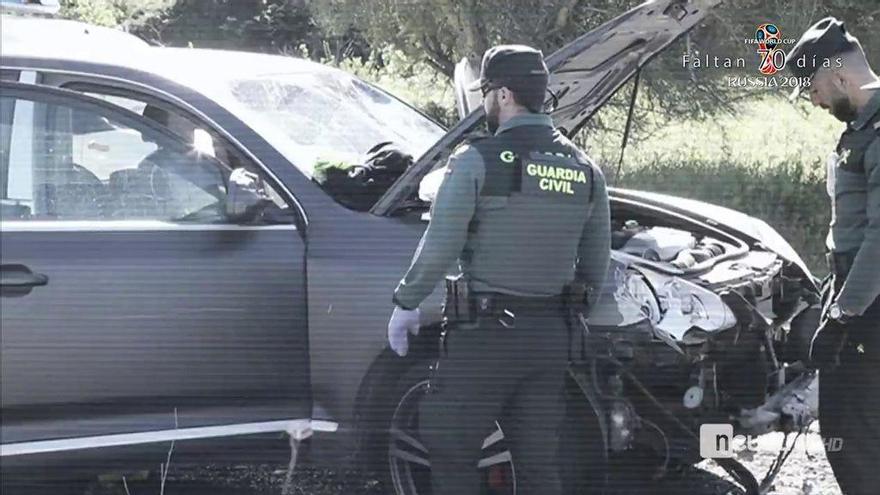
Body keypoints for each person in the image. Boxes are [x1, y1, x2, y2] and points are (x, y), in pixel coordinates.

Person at [386, 45, 611, 495]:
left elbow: (441, 242)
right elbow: (595, 263)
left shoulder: (478, 160)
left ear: (504, 95)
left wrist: (406, 303)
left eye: (486, 92)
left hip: (485, 339)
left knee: (450, 450)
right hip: (551, 337)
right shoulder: (585, 169)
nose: (483, 102)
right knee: (538, 464)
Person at [787, 17, 880, 494]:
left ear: (841, 78)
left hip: (870, 308)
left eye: (816, 88)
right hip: (859, 296)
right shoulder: (863, 128)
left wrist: (843, 317)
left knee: (852, 432)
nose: (815, 101)